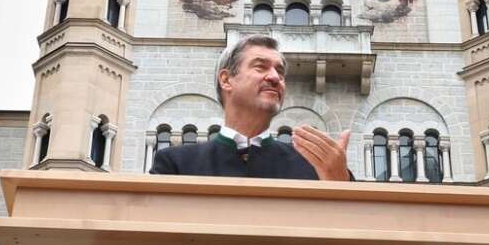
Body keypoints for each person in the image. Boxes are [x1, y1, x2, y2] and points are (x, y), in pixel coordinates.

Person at [149, 35, 352, 180]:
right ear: (226, 80)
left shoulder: (315, 166)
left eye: (280, 72)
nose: (274, 77)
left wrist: (339, 183)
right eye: (260, 67)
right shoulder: (176, 165)